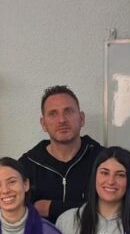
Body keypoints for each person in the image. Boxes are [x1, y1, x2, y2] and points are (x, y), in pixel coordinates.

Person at [19, 85, 101, 224]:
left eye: (68, 111)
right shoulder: (26, 166)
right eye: (53, 114)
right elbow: (12, 214)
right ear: (43, 123)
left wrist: (51, 207)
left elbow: (121, 210)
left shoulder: (104, 161)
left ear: (81, 118)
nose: (62, 120)